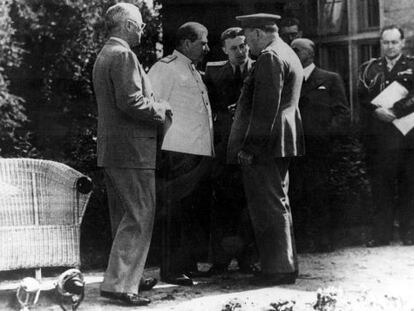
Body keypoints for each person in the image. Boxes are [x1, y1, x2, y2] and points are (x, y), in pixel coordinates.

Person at [92, 3, 171, 306]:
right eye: (139, 24)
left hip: (114, 149)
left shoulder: (105, 54)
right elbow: (131, 102)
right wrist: (160, 109)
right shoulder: (124, 55)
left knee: (123, 215)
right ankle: (121, 284)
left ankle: (128, 277)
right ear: (126, 25)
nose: (142, 30)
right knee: (140, 215)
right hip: (132, 150)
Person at [228, 13, 305, 285]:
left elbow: (265, 110)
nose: (247, 44)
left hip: (268, 143)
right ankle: (283, 264)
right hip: (281, 140)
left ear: (259, 33)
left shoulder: (271, 57)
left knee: (268, 204)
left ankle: (278, 269)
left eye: (248, 37)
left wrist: (249, 147)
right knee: (277, 202)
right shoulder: (286, 52)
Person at [148, 22, 214, 286]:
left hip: (197, 151)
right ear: (186, 43)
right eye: (203, 42)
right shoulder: (165, 68)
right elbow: (154, 107)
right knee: (174, 212)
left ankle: (187, 264)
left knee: (191, 211)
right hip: (176, 151)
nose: (207, 47)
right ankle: (171, 268)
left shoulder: (193, 70)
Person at [202, 27, 257, 275]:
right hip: (224, 149)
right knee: (223, 205)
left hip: (252, 147)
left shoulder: (261, 68)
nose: (240, 51)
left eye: (243, 46)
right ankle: (221, 261)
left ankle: (249, 259)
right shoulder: (214, 72)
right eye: (234, 48)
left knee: (250, 205)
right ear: (224, 50)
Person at [290, 38, 350, 252]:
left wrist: (327, 135)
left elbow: (342, 112)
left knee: (320, 193)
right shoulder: (289, 80)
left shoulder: (330, 79)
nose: (293, 52)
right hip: (294, 147)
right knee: (296, 193)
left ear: (310, 53)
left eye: (297, 49)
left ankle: (324, 240)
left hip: (320, 149)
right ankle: (302, 242)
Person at [359, 25, 414, 247]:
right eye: (386, 42)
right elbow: (361, 97)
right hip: (380, 138)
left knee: (410, 186)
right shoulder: (369, 68)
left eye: (394, 42)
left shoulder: (411, 66)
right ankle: (381, 234)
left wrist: (396, 111)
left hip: (408, 137)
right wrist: (376, 111)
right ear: (380, 43)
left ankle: (409, 233)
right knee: (381, 187)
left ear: (402, 42)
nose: (390, 46)